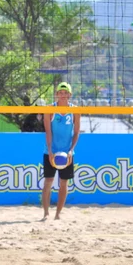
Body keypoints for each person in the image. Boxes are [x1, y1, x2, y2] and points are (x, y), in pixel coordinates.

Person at [41, 82, 80, 221]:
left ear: (70, 95)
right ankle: (46, 213)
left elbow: (76, 133)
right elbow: (48, 131)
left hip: (67, 153)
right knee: (48, 181)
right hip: (51, 151)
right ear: (57, 94)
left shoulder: (75, 110)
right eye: (60, 92)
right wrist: (50, 150)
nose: (63, 95)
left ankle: (58, 214)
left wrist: (71, 151)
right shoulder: (50, 109)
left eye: (66, 93)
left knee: (64, 183)